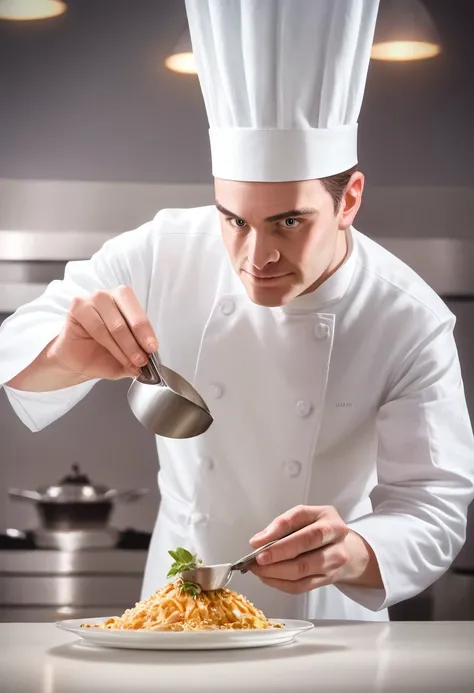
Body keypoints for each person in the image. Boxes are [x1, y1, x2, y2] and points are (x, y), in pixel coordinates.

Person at [1, 0, 473, 622]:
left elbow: (434, 503)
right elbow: (21, 340)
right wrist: (65, 353)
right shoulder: (163, 248)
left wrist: (355, 551)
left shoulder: (407, 317)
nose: (257, 257)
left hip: (327, 625)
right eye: (234, 219)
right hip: (174, 614)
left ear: (349, 199)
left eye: (290, 222)